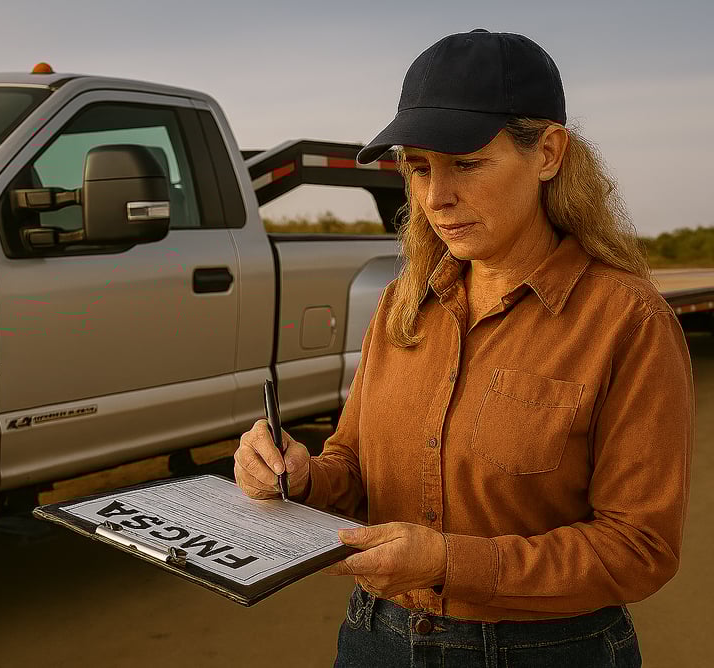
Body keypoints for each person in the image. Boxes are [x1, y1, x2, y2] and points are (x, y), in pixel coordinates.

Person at [234, 28, 694, 667]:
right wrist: (300, 475)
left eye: (466, 164)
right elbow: (353, 466)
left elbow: (639, 548)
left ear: (549, 153)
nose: (434, 198)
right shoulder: (404, 305)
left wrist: (451, 563)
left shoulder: (627, 323)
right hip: (375, 639)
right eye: (418, 168)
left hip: (547, 651)